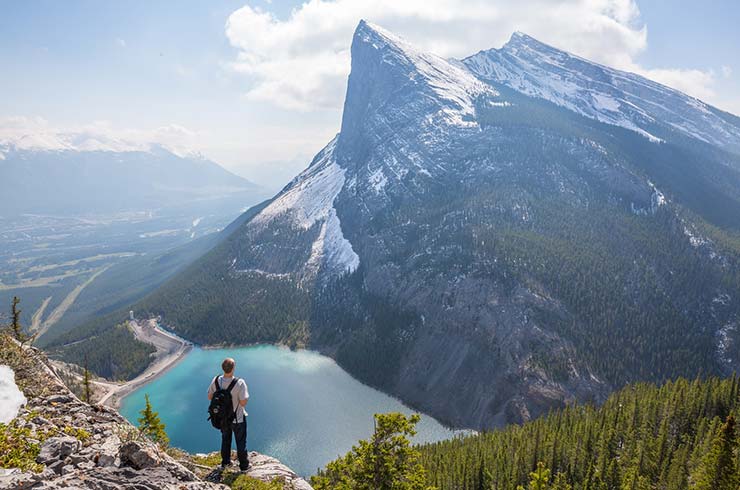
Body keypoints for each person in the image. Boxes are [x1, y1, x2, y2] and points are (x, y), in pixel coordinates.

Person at [207, 357, 250, 470]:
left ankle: (225, 463)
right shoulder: (240, 383)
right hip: (238, 419)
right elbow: (243, 402)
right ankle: (244, 467)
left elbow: (210, 396)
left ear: (223, 368)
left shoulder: (216, 380)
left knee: (225, 440)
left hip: (223, 418)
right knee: (240, 442)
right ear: (233, 368)